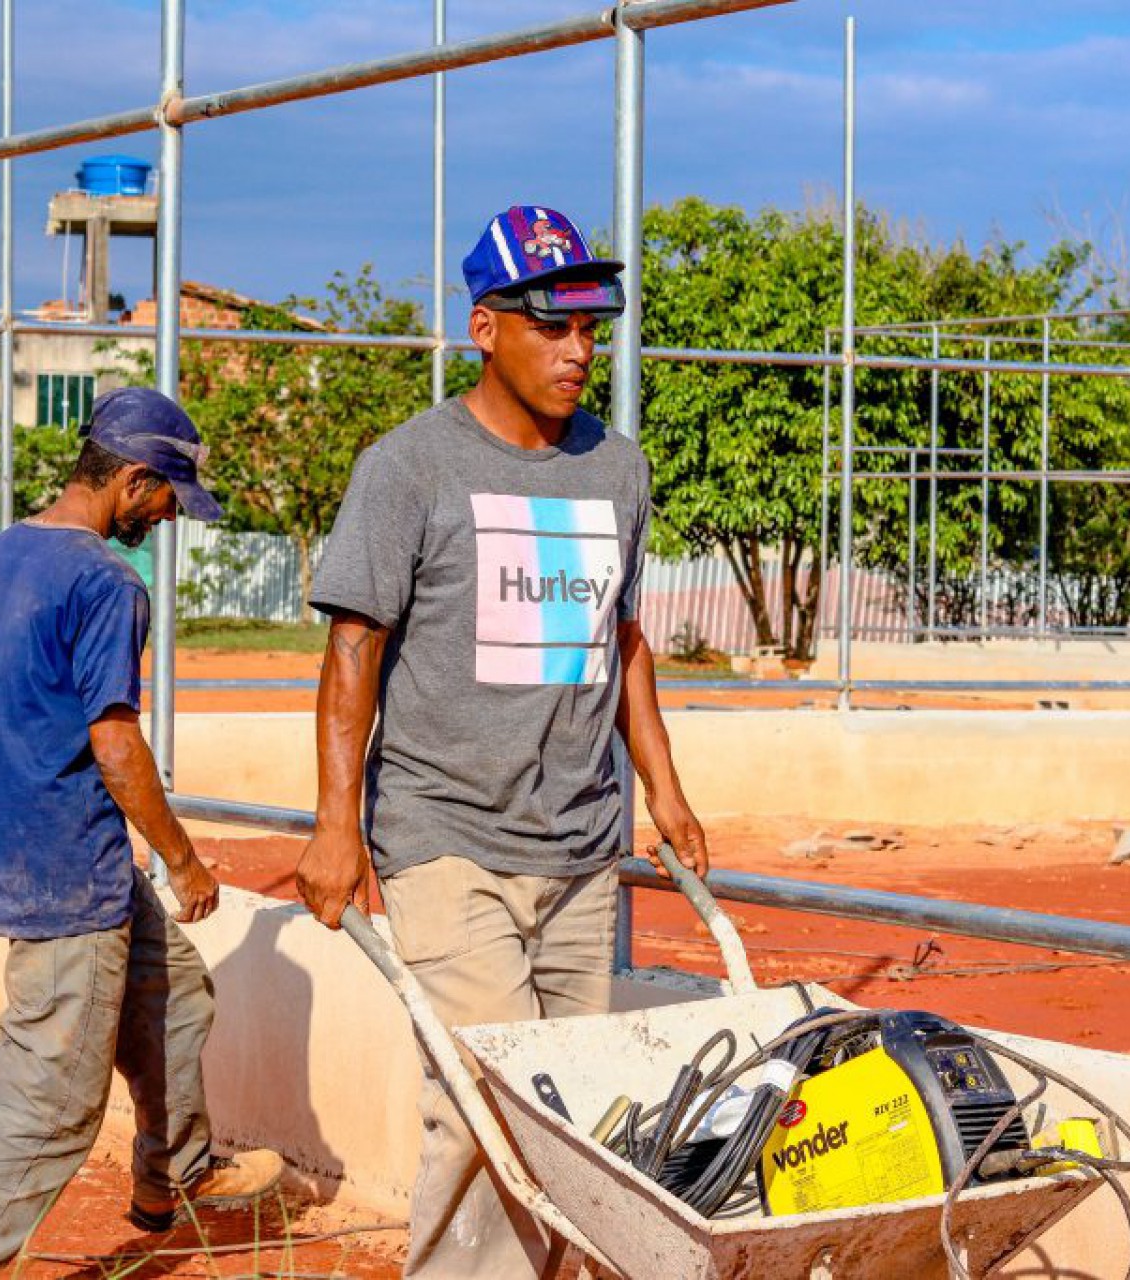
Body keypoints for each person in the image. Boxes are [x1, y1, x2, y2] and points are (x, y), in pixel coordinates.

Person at [294, 204, 710, 1279]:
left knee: (572, 1112)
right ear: (485, 328)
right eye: (551, 326)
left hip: (579, 843)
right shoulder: (410, 466)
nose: (579, 352)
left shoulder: (617, 468)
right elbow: (355, 651)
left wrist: (665, 790)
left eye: (591, 329)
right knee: (490, 1100)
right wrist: (336, 825)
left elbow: (620, 638)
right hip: (445, 836)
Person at [0, 388, 282, 1278]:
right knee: (52, 1099)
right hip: (65, 867)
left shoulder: (0, 553)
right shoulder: (108, 581)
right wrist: (184, 859)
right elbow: (114, 744)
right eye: (166, 502)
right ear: (132, 480)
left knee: (176, 997)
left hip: (29, 847)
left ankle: (172, 1175)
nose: (165, 521)